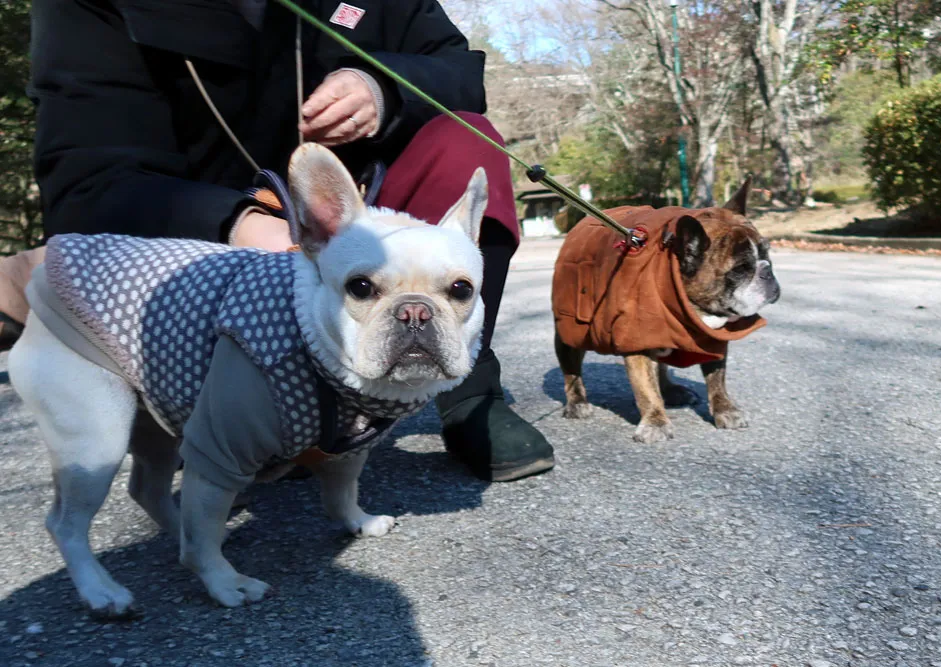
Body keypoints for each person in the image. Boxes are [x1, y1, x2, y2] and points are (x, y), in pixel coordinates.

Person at [0, 0, 554, 482]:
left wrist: (381, 84)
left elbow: (459, 68)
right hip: (202, 215)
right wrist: (238, 225)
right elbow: (87, 179)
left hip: (366, 204)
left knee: (468, 139)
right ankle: (228, 410)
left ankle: (468, 388)